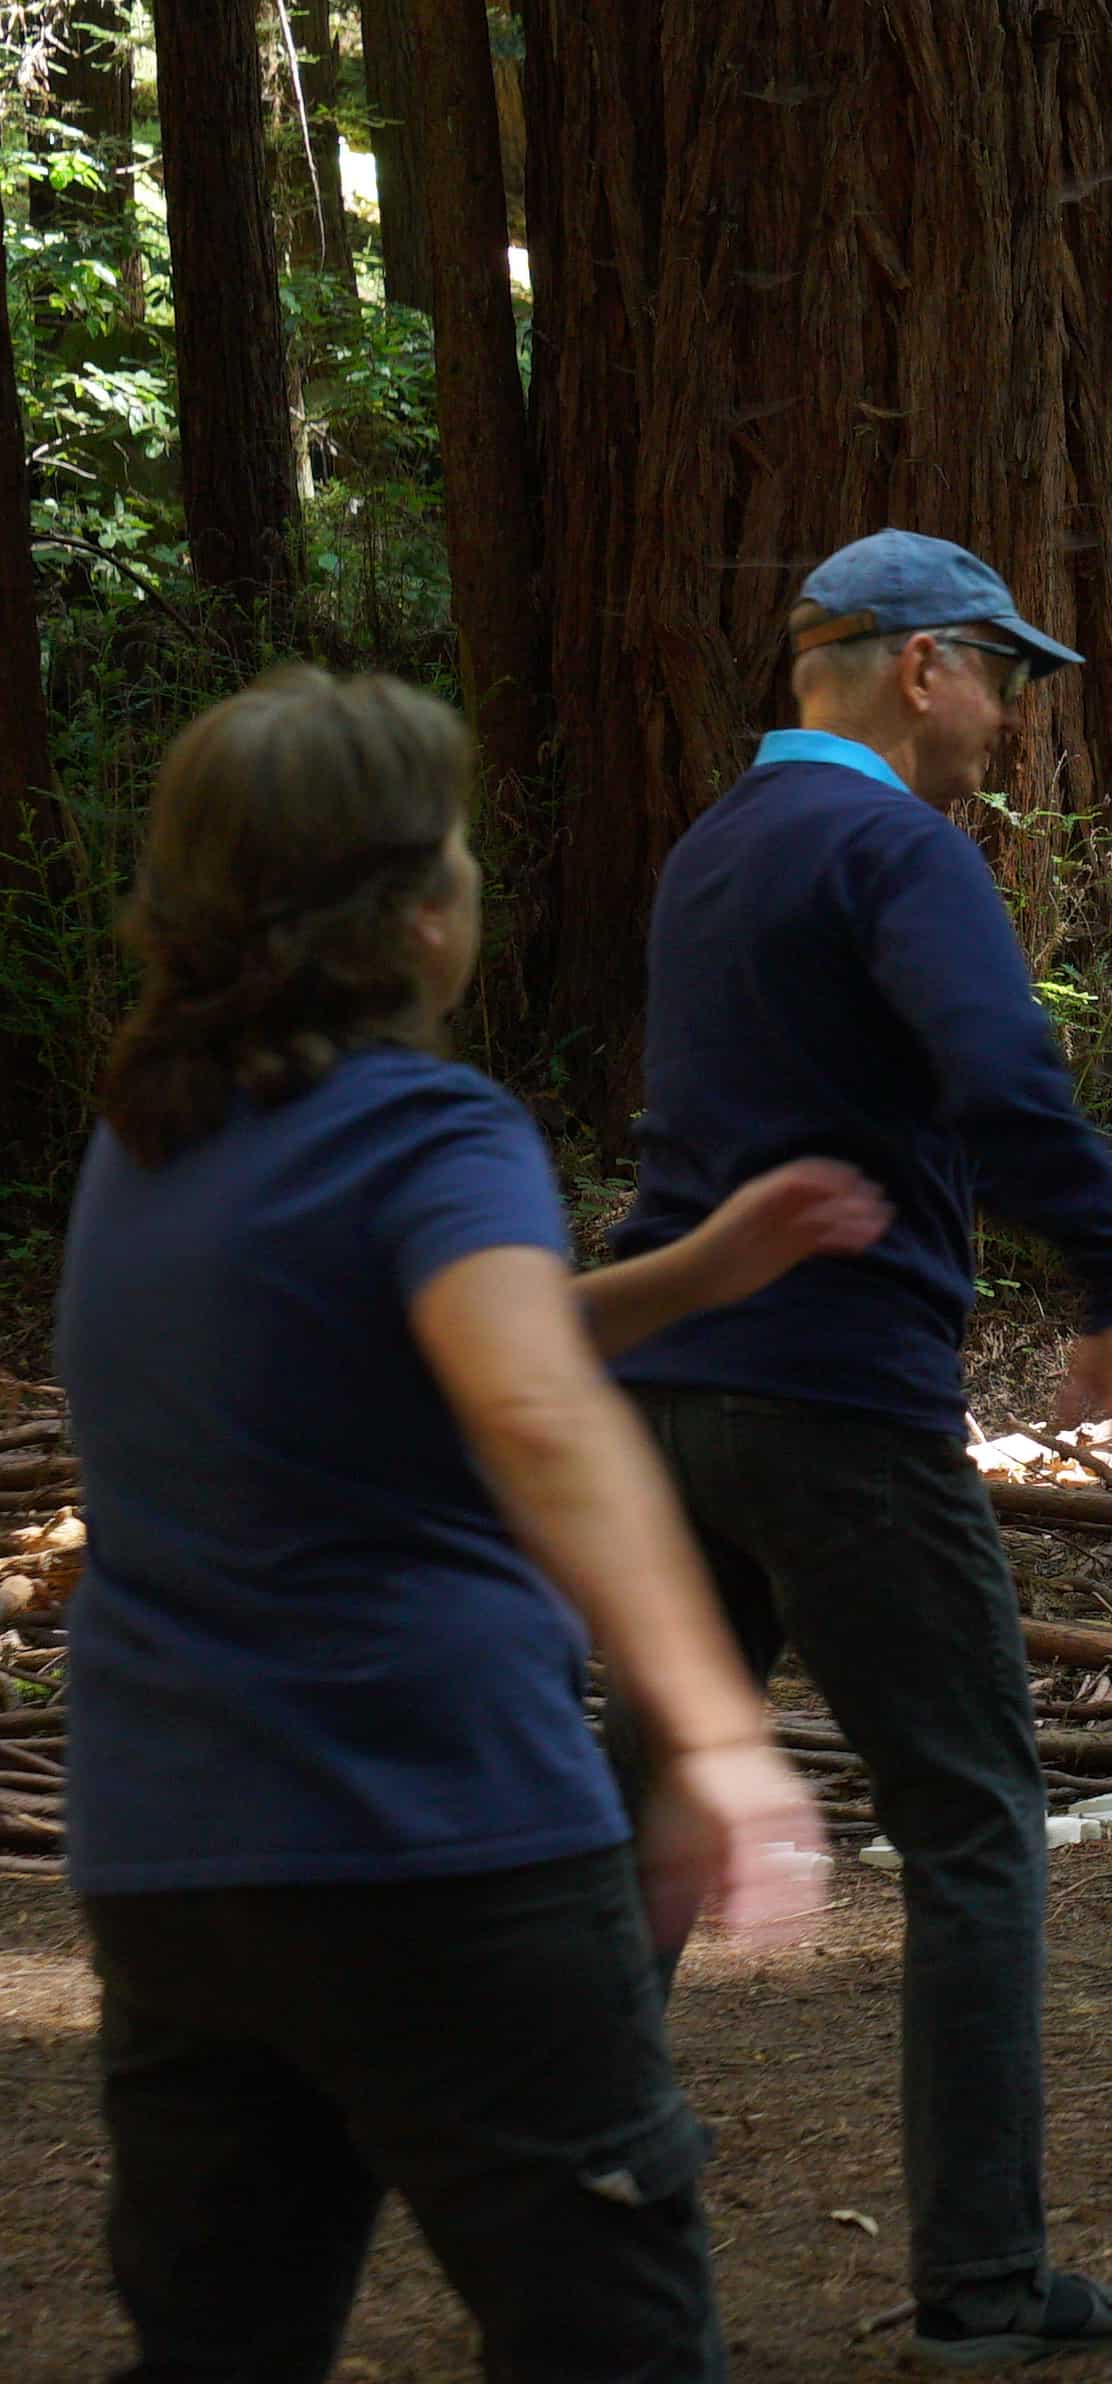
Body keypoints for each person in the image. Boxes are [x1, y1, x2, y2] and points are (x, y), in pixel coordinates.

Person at [60, 669, 863, 2377]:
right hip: (433, 1837)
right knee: (613, 2340)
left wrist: (706, 1270)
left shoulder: (151, 1142)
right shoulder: (429, 1124)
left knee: (221, 2340)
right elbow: (522, 1400)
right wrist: (721, 1727)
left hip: (177, 1860)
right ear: (418, 909)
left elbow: (461, 1338)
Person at [606, 529, 1112, 2362]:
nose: (1011, 718)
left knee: (657, 1801)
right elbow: (996, 1082)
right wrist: (1109, 1274)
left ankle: (569, 2200)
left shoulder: (717, 846)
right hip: (839, 1405)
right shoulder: (895, 843)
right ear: (922, 666)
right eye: (1006, 675)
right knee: (980, 1822)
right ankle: (986, 2283)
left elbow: (856, 1108)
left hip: (676, 1400)